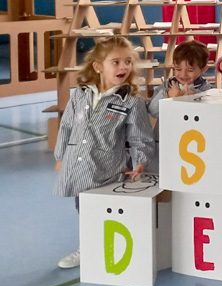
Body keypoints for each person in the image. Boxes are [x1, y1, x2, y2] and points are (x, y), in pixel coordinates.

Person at [54, 36, 155, 269]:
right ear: (98, 66)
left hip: (107, 167)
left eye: (128, 61)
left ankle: (106, 247)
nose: (124, 67)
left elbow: (140, 137)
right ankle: (86, 246)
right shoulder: (79, 95)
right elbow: (67, 125)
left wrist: (140, 161)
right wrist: (60, 156)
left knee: (105, 209)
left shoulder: (131, 101)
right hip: (78, 165)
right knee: (83, 207)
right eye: (116, 62)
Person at [148, 40, 211, 118]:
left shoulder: (207, 90)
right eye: (178, 69)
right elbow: (152, 111)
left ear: (204, 69)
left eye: (190, 70)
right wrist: (168, 96)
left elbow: (207, 115)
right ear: (173, 66)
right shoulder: (167, 85)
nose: (183, 74)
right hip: (168, 129)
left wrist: (194, 97)